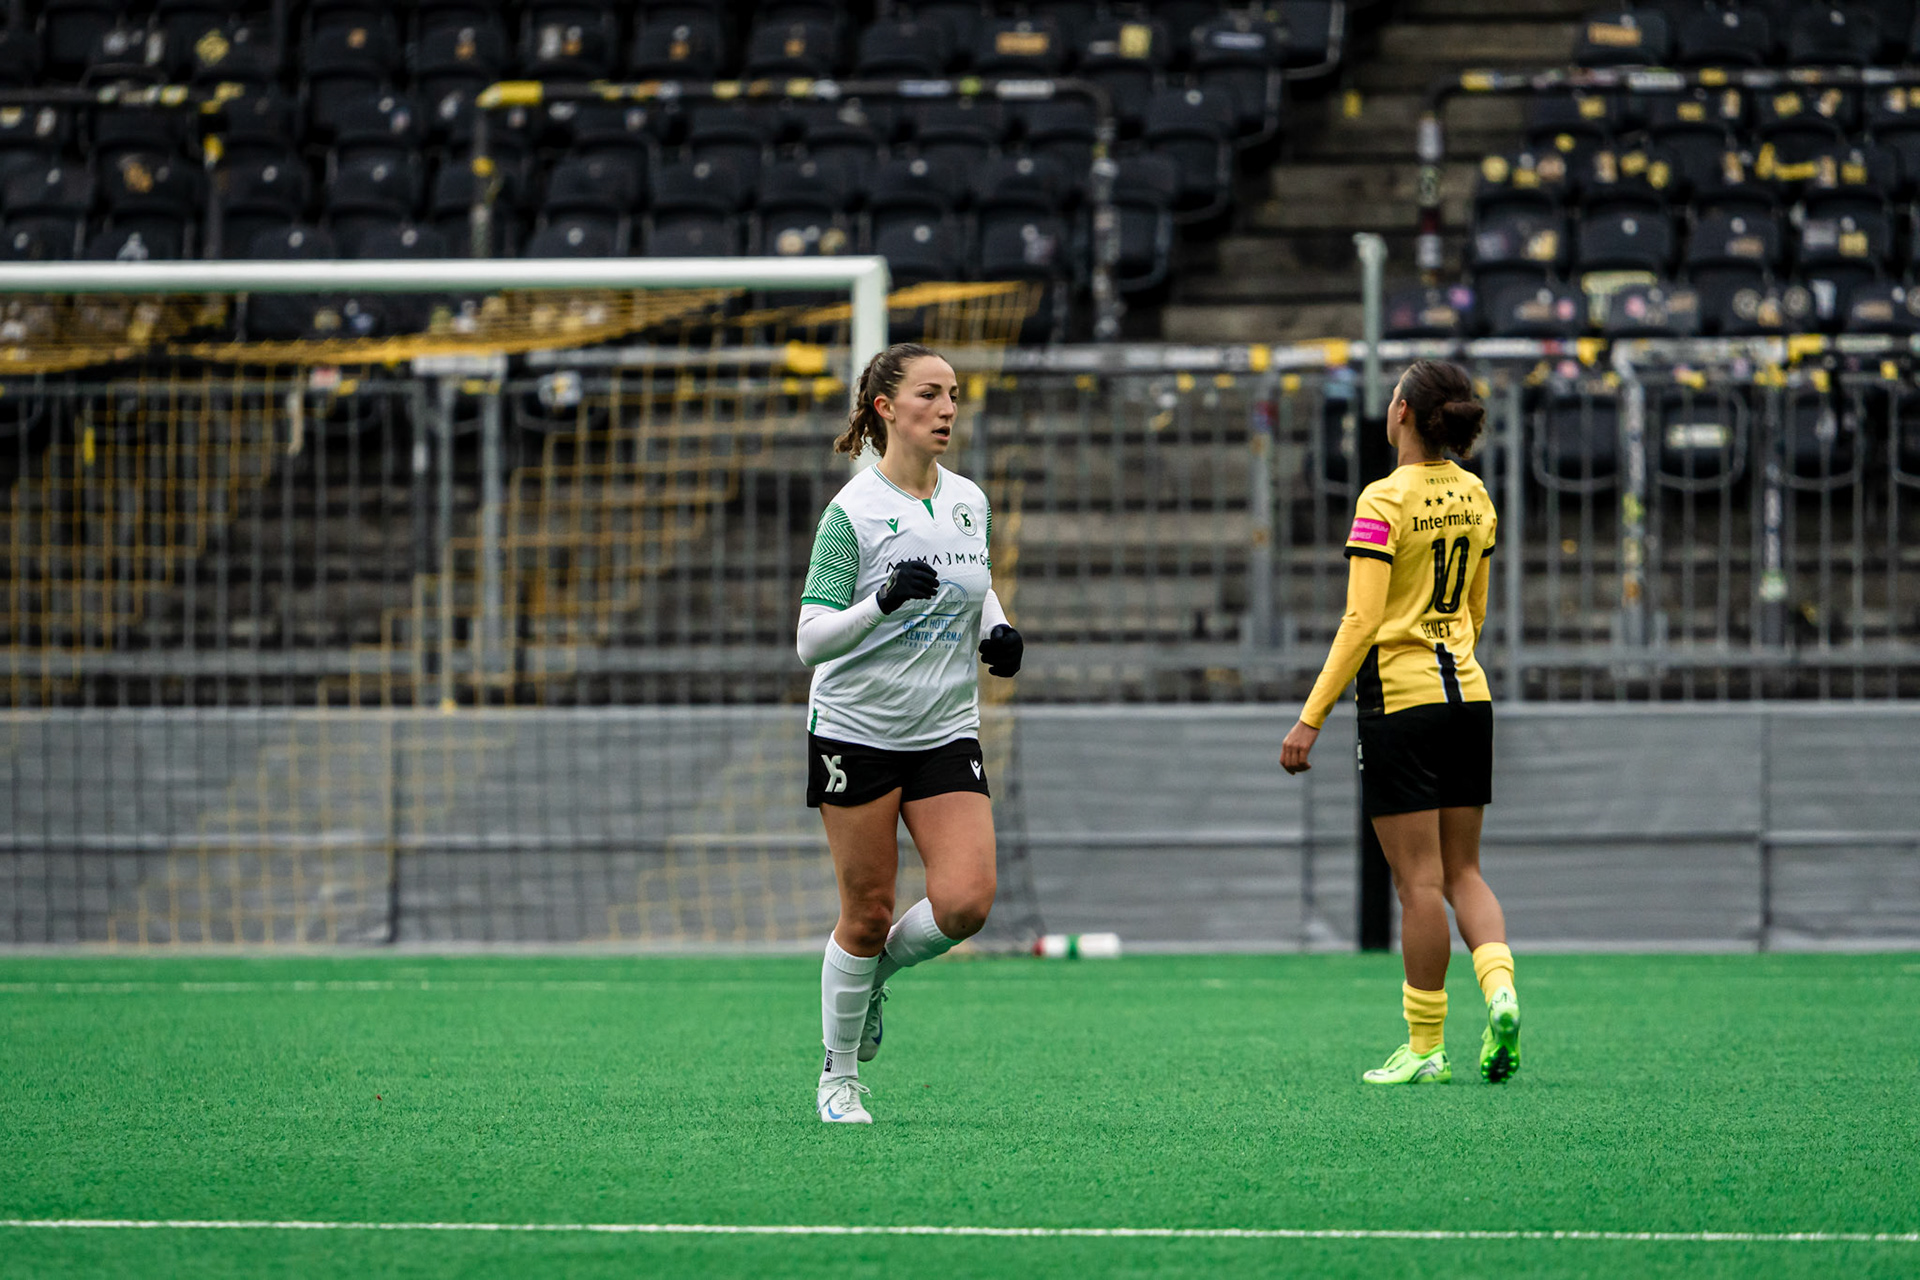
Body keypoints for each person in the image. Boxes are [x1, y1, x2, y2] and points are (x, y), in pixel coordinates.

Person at [795, 342, 1024, 1124]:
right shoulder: (850, 514)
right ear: (886, 408)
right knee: (864, 913)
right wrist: (882, 604)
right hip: (856, 732)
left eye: (955, 394)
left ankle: (872, 982)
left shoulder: (969, 499)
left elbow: (977, 581)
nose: (948, 408)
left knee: (966, 902)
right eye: (930, 394)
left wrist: (999, 629)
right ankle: (839, 1076)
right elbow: (811, 640)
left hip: (943, 729)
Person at [1279, 360, 1521, 1086]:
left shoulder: (1382, 499)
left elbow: (1361, 621)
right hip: (1469, 697)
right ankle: (1501, 992)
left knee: (1417, 883)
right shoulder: (1476, 495)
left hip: (1402, 702)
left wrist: (1309, 717)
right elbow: (1475, 609)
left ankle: (1424, 1048)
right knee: (1465, 872)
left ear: (1405, 414)